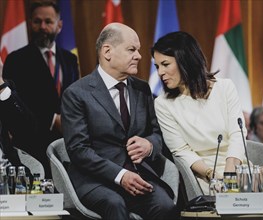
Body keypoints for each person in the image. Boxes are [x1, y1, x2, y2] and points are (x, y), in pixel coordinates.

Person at [61, 23, 178, 220]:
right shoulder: (76, 94)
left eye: (138, 50)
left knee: (166, 207)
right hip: (95, 181)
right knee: (115, 205)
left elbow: (157, 134)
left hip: (138, 177)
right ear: (107, 52)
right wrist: (120, 175)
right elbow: (78, 149)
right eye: (132, 49)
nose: (139, 56)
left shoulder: (142, 89)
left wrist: (149, 145)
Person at [151, 31, 247, 195]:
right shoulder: (162, 104)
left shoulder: (225, 87)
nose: (160, 72)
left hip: (236, 166)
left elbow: (238, 134)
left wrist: (230, 174)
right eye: (157, 66)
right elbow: (181, 150)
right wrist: (213, 175)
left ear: (185, 61)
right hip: (203, 175)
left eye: (165, 64)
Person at [2, 0, 79, 178]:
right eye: (37, 21)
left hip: (65, 142)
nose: (42, 26)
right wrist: (52, 119)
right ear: (30, 23)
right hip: (32, 142)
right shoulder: (16, 59)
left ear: (59, 25)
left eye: (48, 22)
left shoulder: (69, 59)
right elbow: (14, 103)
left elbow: (73, 95)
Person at [0, 58, 34, 179]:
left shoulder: (5, 88)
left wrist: (1, 86)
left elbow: (25, 130)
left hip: (12, 177)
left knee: (55, 197)